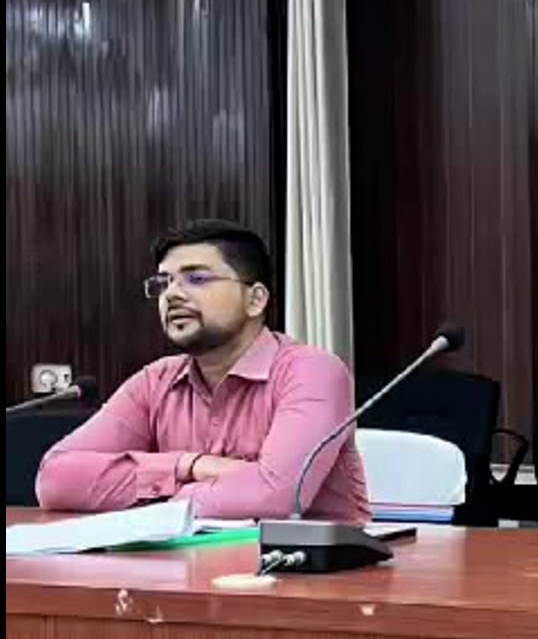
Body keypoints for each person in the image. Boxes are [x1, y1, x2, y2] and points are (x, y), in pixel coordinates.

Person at [36, 219, 370, 523]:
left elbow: (277, 496)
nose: (172, 295)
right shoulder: (155, 381)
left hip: (310, 566)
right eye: (164, 283)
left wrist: (153, 500)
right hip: (189, 563)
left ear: (255, 300)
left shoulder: (312, 371)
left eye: (196, 279)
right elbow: (54, 480)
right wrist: (190, 465)